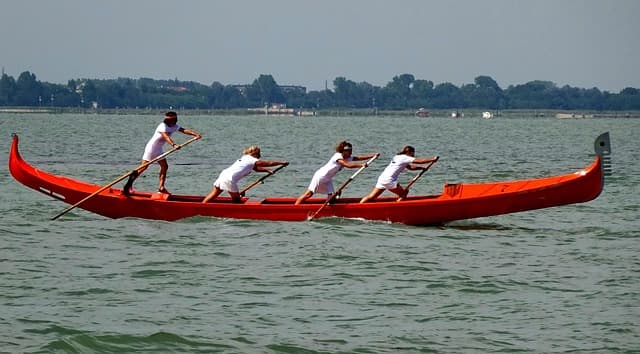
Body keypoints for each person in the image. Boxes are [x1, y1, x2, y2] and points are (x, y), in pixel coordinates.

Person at [123, 111, 201, 195]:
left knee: (165, 166)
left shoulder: (174, 126)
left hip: (159, 149)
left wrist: (195, 134)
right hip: (151, 148)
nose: (170, 122)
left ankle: (161, 188)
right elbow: (165, 136)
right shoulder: (162, 126)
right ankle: (128, 186)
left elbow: (183, 130)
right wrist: (173, 145)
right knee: (143, 168)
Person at [295, 141, 379, 205]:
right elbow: (347, 165)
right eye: (349, 150)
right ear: (343, 151)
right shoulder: (338, 156)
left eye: (351, 150)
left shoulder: (347, 157)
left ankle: (329, 207)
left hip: (327, 179)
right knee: (308, 194)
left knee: (331, 196)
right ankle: (295, 208)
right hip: (320, 177)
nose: (351, 152)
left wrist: (373, 155)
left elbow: (358, 157)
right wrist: (361, 165)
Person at [202, 146, 288, 203]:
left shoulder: (245, 158)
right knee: (236, 200)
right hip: (229, 179)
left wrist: (267, 171)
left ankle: (203, 205)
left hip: (224, 175)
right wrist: (281, 163)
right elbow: (268, 163)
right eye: (259, 155)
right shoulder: (251, 159)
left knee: (214, 194)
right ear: (256, 154)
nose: (260, 156)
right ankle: (235, 214)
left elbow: (255, 168)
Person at [360, 145, 438, 203]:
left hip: (382, 178)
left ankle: (360, 206)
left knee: (371, 196)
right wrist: (432, 159)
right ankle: (397, 206)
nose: (413, 155)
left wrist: (421, 168)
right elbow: (419, 161)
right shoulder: (405, 157)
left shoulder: (397, 156)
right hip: (389, 180)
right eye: (413, 154)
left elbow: (410, 167)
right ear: (410, 152)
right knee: (404, 193)